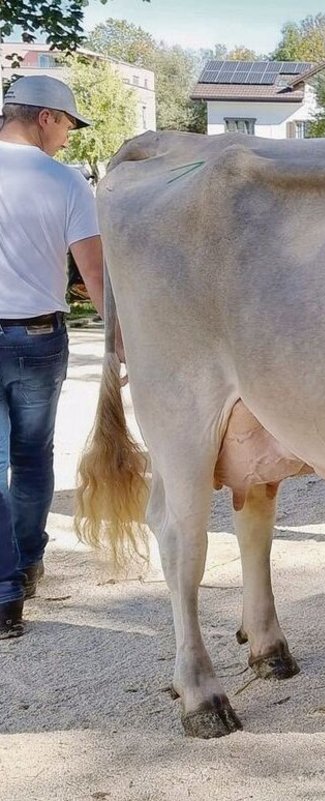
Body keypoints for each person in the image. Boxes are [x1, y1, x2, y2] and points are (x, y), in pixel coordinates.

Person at [0, 76, 109, 639]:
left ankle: (3, 590)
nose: (68, 137)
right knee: (31, 457)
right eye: (67, 123)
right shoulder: (65, 183)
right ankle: (24, 566)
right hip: (36, 338)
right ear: (45, 117)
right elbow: (93, 276)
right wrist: (121, 333)